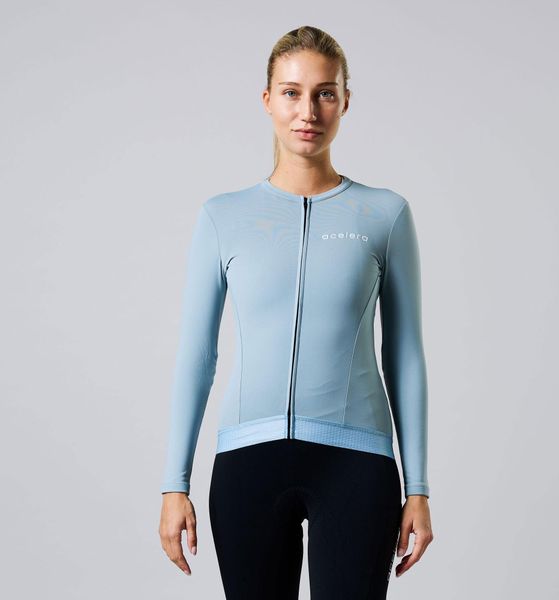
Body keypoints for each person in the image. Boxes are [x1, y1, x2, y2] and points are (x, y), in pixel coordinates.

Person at [158, 25, 434, 599]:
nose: (308, 111)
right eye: (291, 92)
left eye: (324, 93)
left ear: (345, 101)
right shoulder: (222, 217)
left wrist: (418, 488)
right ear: (267, 100)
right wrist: (173, 484)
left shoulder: (384, 214)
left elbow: (404, 354)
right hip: (247, 463)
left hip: (357, 465)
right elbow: (197, 355)